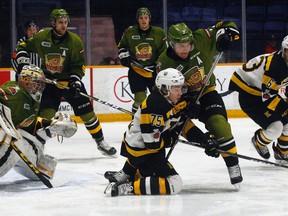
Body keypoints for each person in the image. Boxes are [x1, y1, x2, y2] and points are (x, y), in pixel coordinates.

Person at [13, 9, 117, 157]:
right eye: (60, 22)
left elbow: (78, 65)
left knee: (88, 114)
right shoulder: (42, 36)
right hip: (49, 82)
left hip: (69, 82)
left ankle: (100, 142)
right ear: (53, 23)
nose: (63, 25)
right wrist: (23, 62)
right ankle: (36, 147)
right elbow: (23, 46)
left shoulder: (74, 41)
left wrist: (75, 80)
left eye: (65, 22)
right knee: (45, 117)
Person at [104, 68, 220, 197]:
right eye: (176, 89)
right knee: (174, 184)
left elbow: (183, 126)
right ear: (165, 89)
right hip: (143, 152)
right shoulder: (155, 106)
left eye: (181, 88)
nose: (180, 93)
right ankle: (129, 187)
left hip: (142, 147)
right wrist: (170, 138)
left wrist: (205, 141)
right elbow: (152, 144)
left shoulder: (170, 100)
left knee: (155, 171)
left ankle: (128, 172)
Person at [155, 22, 243, 185]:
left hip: (206, 92)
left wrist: (226, 36)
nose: (186, 48)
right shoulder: (163, 63)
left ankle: (233, 164)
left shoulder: (201, 38)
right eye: (181, 45)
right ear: (172, 44)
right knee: (179, 129)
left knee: (219, 125)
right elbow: (161, 93)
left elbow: (226, 25)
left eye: (188, 44)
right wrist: (184, 102)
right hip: (180, 99)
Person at [0, 65, 77, 180]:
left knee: (45, 170)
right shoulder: (16, 92)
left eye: (41, 84)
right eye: (37, 83)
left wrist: (53, 125)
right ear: (26, 81)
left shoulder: (32, 101)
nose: (40, 87)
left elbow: (30, 126)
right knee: (16, 141)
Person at [229, 35, 288, 161]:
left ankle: (283, 152)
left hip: (260, 91)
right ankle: (258, 142)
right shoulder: (276, 67)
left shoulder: (283, 63)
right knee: (276, 128)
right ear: (283, 50)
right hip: (249, 95)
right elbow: (268, 96)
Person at [117, 7, 167, 114]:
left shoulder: (159, 33)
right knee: (140, 100)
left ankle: (158, 122)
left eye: (146, 17)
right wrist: (124, 57)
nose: (143, 20)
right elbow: (122, 47)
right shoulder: (130, 32)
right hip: (136, 71)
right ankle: (135, 125)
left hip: (154, 72)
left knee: (159, 99)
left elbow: (165, 53)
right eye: (141, 18)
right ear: (137, 19)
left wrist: (157, 66)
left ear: (149, 19)